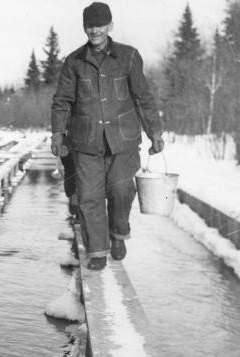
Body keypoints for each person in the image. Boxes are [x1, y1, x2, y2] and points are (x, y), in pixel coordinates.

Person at [51, 2, 164, 270]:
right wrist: (57, 133)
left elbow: (143, 97)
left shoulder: (129, 57)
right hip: (86, 141)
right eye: (89, 26)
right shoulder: (74, 61)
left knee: (122, 190)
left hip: (122, 142)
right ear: (84, 28)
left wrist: (155, 131)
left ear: (109, 26)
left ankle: (118, 234)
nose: (94, 31)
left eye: (99, 25)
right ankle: (97, 250)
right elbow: (62, 101)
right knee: (89, 197)